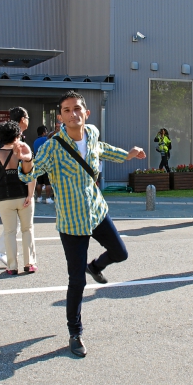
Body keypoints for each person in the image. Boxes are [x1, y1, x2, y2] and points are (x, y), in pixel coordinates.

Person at [17, 90, 146, 357]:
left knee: (120, 253)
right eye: (67, 110)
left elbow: (103, 149)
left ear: (86, 113)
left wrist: (128, 155)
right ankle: (75, 333)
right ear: (60, 117)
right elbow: (30, 172)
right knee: (76, 282)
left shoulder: (93, 133)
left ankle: (95, 266)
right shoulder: (53, 147)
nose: (73, 113)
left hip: (97, 211)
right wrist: (27, 159)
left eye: (77, 108)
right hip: (71, 221)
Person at [0, 121, 38, 275]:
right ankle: (29, 264)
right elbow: (31, 175)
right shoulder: (24, 150)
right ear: (18, 135)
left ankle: (11, 266)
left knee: (9, 232)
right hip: (23, 196)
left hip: (4, 197)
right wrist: (30, 195)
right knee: (27, 229)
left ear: (0, 136)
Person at [33, 125, 54, 204]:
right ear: (43, 132)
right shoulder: (47, 140)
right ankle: (48, 198)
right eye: (46, 131)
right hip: (46, 163)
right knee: (47, 182)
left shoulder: (35, 141)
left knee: (39, 182)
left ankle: (39, 197)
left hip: (38, 163)